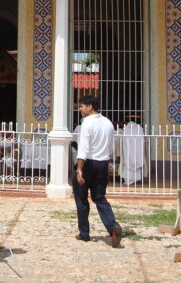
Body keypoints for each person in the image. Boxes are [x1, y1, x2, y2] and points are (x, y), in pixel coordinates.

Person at [73, 94, 122, 247]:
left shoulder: (87, 123)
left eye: (81, 106)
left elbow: (84, 147)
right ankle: (112, 226)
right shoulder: (108, 123)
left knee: (81, 197)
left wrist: (79, 169)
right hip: (103, 163)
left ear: (90, 107)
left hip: (89, 163)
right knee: (99, 197)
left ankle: (84, 233)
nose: (80, 109)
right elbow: (110, 145)